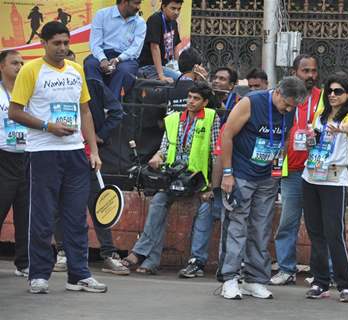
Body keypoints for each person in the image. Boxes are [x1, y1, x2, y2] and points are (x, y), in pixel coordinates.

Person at [8, 21, 107, 294]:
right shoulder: (31, 70)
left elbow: (85, 112)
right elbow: (14, 112)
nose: (63, 48)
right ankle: (38, 275)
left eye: (66, 42)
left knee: (76, 218)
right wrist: (48, 127)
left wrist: (93, 150)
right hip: (42, 154)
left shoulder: (76, 70)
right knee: (41, 218)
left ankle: (79, 276)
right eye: (57, 43)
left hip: (75, 154)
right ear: (44, 42)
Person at [217, 76, 307, 300]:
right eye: (286, 103)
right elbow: (227, 134)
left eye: (292, 107)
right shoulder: (251, 102)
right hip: (241, 174)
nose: (287, 109)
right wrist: (228, 174)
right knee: (236, 225)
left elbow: (283, 140)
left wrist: (276, 173)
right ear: (277, 92)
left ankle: (254, 279)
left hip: (267, 178)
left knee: (261, 228)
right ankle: (229, 278)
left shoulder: (289, 110)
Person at [121, 82, 220, 274]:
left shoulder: (211, 118)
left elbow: (216, 154)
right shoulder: (174, 119)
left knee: (204, 210)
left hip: (198, 180)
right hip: (175, 177)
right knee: (158, 202)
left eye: (196, 98)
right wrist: (158, 156)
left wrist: (211, 187)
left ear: (205, 102)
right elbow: (166, 147)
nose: (191, 101)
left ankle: (192, 261)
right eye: (190, 97)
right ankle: (149, 261)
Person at [53, 50, 127, 276]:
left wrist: (98, 137)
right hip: (55, 154)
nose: (69, 70)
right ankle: (63, 252)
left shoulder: (92, 84)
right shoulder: (48, 87)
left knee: (99, 204)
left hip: (86, 156)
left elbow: (116, 111)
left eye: (71, 64)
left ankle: (108, 253)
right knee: (58, 205)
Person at [301, 72, 348, 303]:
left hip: (334, 179)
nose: (333, 95)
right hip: (311, 175)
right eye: (330, 91)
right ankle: (320, 281)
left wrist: (341, 129)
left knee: (334, 233)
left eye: (338, 91)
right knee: (315, 232)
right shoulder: (321, 114)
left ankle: (345, 284)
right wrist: (307, 138)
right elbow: (313, 140)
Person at [270, 54, 322, 285]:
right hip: (291, 169)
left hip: (318, 169)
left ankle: (322, 273)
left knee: (319, 223)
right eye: (305, 71)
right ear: (294, 72)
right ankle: (286, 269)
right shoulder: (284, 96)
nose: (310, 75)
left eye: (313, 71)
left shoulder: (324, 97)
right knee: (288, 222)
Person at [0, 50, 28, 278]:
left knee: (26, 214)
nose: (19, 66)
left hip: (27, 157)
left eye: (22, 62)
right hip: (3, 158)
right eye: (14, 63)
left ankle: (24, 263)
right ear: (2, 67)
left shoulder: (29, 92)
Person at [84, 0, 146, 100]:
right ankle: (96, 106)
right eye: (136, 3)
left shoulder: (140, 22)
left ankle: (112, 108)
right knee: (90, 64)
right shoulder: (102, 15)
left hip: (126, 59)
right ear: (124, 2)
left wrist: (118, 59)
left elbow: (135, 49)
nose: (138, 7)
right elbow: (95, 43)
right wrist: (102, 59)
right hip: (103, 54)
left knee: (124, 70)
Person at [138, 0, 183, 82]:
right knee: (183, 80)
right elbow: (154, 47)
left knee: (186, 78)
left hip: (166, 66)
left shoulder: (173, 22)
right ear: (163, 7)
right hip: (149, 67)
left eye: (179, 9)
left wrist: (179, 69)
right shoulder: (155, 20)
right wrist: (161, 75)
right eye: (173, 8)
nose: (176, 12)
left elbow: (176, 47)